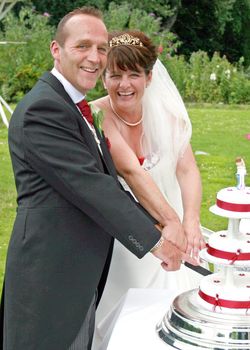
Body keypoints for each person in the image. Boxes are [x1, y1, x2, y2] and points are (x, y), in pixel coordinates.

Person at [0, 8, 196, 350]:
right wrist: (158, 241)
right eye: (83, 46)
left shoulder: (72, 105)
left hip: (80, 272)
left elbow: (107, 184)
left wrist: (169, 223)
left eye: (102, 48)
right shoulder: (42, 109)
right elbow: (96, 190)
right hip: (52, 279)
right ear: (56, 50)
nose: (95, 57)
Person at [91, 31, 206, 334]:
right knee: (131, 319)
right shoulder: (98, 116)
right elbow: (131, 172)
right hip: (130, 231)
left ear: (149, 77)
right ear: (104, 79)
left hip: (175, 221)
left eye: (133, 75)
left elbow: (187, 171)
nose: (124, 85)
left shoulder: (168, 116)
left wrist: (190, 222)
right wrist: (172, 224)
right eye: (115, 75)